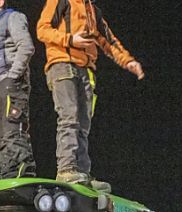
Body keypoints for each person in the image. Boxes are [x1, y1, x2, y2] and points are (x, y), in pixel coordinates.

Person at [37, 0, 145, 192]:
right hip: (62, 64)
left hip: (86, 70)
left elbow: (108, 40)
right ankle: (67, 169)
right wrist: (70, 39)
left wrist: (128, 62)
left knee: (83, 123)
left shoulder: (93, 10)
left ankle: (82, 173)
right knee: (69, 118)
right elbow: (42, 29)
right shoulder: (61, 2)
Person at [0, 0, 37, 180]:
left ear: (0, 2)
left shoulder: (13, 17)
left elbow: (26, 47)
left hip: (9, 84)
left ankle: (25, 174)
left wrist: (13, 75)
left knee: (13, 132)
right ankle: (8, 176)